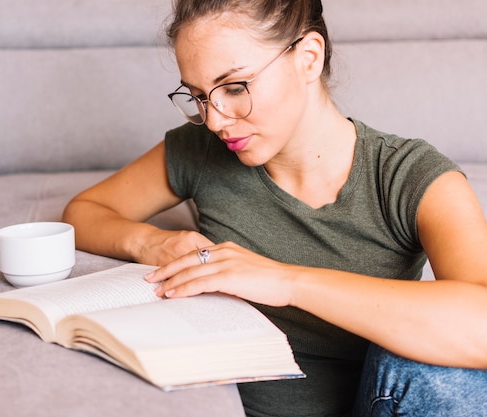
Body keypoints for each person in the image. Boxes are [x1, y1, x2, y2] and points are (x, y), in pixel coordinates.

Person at [63, 0, 487, 415]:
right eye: (198, 96)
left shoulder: (408, 175)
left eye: (234, 87)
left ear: (308, 58)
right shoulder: (203, 151)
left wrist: (286, 282)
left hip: (379, 403)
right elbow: (85, 210)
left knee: (424, 364)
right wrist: (151, 243)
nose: (215, 120)